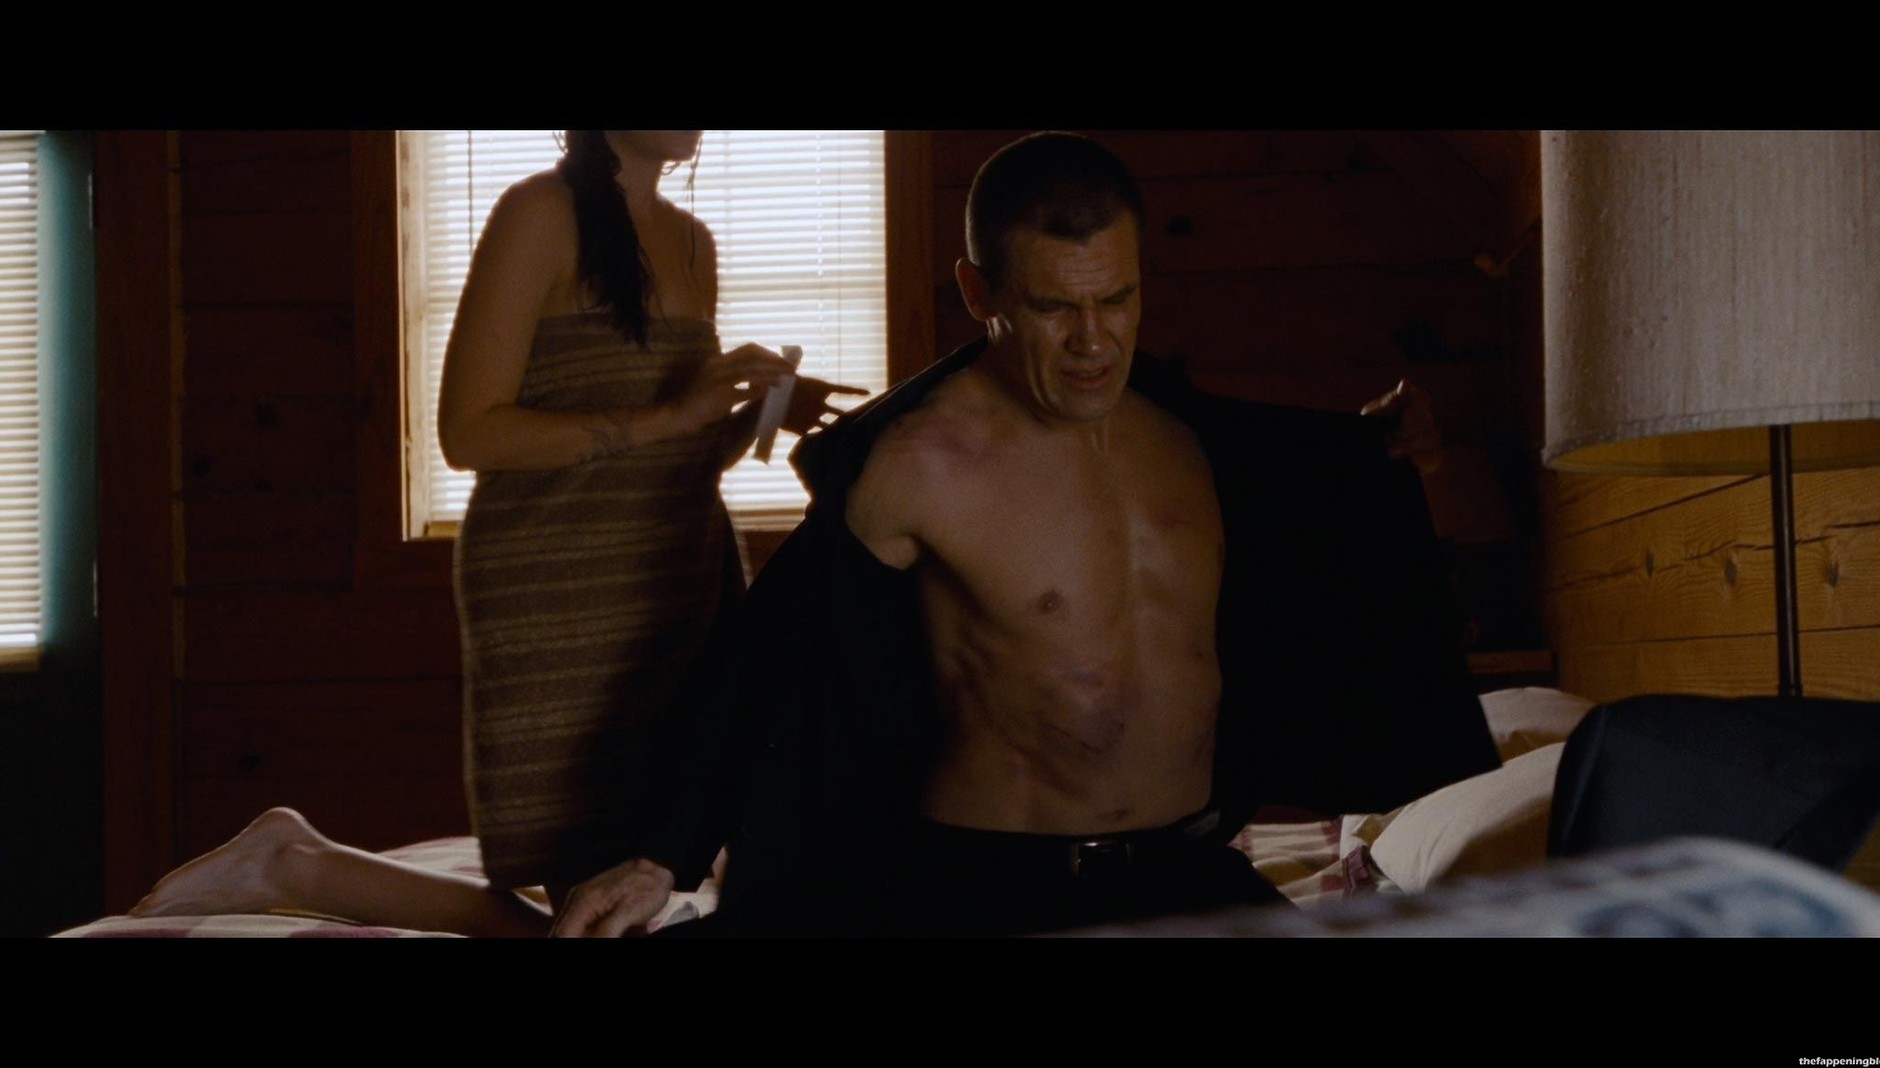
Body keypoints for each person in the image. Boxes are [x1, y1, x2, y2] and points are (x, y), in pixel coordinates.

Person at [554, 132, 1488, 938]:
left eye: (1116, 299)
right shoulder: (920, 465)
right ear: (979, 290)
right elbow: (765, 659)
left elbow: (1309, 503)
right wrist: (661, 854)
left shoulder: (1196, 440)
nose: (1093, 342)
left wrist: (1377, 449)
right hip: (994, 890)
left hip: (1185, 873)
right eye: (1052, 309)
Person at [128, 130, 863, 935]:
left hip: (678, 585)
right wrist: (675, 414)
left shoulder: (693, 240)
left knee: (645, 883)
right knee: (595, 909)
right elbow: (471, 431)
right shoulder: (539, 212)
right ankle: (293, 862)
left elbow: (668, 453)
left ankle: (294, 860)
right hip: (559, 593)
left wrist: (759, 414)